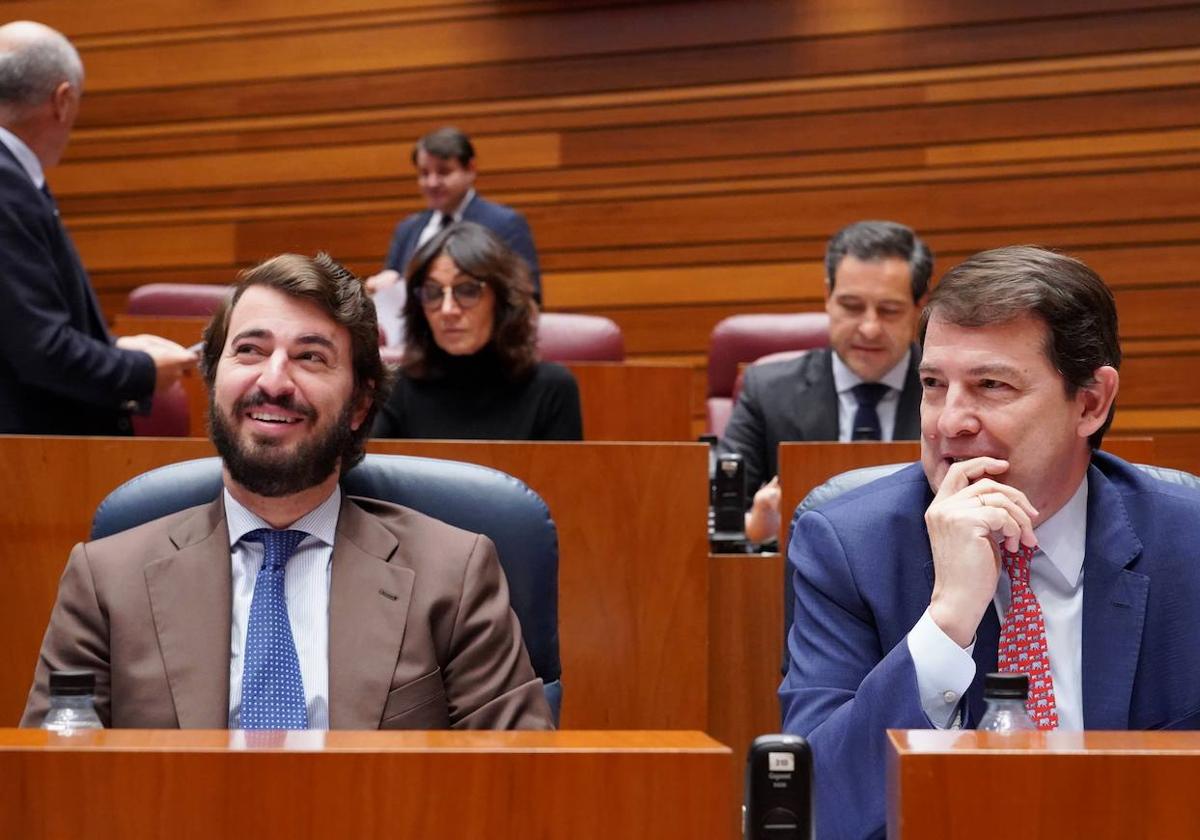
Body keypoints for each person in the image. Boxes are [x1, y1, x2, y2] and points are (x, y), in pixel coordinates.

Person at [22, 252, 554, 730]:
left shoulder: (454, 576)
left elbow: (517, 790)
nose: (273, 381)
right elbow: (54, 792)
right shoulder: (104, 582)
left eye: (311, 357)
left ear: (361, 404)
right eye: (250, 350)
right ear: (213, 379)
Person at [780, 246, 1200, 839]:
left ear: (1090, 402)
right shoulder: (848, 546)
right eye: (933, 384)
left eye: (991, 385)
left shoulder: (1189, 541)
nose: (950, 421)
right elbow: (820, 807)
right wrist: (946, 621)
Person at [0, 21, 195, 435]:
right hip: (30, 461)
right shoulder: (5, 184)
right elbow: (40, 352)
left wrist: (111, 348)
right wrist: (140, 370)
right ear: (63, 100)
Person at [720, 220, 932, 542]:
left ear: (919, 305)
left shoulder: (948, 391)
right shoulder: (768, 391)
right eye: (852, 306)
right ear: (827, 297)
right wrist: (754, 528)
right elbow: (722, 514)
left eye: (889, 310)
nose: (870, 328)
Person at [372, 221, 582, 441]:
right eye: (432, 292)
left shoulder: (552, 389)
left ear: (502, 300)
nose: (447, 310)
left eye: (467, 290)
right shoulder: (396, 388)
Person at [366, 126, 542, 344]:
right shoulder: (408, 229)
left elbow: (528, 299)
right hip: (414, 350)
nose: (432, 182)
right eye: (424, 173)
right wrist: (381, 288)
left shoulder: (504, 224)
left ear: (470, 169)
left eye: (443, 172)